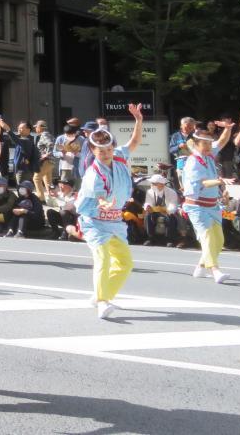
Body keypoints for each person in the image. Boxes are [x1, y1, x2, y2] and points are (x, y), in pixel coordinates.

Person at [75, 103, 144, 319]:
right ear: (93, 151)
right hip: (95, 222)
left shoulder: (120, 157)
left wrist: (139, 121)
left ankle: (100, 295)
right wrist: (102, 203)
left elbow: (134, 142)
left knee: (125, 264)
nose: (106, 153)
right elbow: (91, 200)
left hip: (115, 222)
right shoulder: (92, 174)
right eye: (101, 150)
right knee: (103, 259)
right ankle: (103, 302)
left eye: (108, 149)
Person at [181, 123, 234, 283]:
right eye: (205, 144)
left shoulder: (209, 154)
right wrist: (220, 181)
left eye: (210, 143)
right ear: (196, 145)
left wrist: (228, 128)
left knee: (219, 240)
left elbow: (222, 141)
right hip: (196, 206)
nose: (209, 146)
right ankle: (215, 270)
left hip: (212, 205)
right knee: (208, 238)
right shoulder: (193, 162)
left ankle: (200, 267)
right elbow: (203, 183)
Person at [141, 174, 182, 246]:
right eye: (152, 183)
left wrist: (169, 211)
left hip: (167, 211)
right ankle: (150, 238)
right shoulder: (150, 192)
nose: (151, 185)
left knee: (171, 218)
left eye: (153, 184)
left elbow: (173, 204)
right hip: (155, 211)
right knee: (148, 216)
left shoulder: (171, 192)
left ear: (161, 184)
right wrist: (148, 206)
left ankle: (169, 239)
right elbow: (148, 202)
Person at [32, 120, 55, 196]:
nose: (35, 128)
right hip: (50, 161)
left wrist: (46, 154)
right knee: (47, 179)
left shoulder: (44, 134)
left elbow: (50, 144)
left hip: (46, 160)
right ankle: (50, 195)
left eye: (36, 127)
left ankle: (40, 197)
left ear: (40, 127)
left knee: (36, 178)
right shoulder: (49, 134)